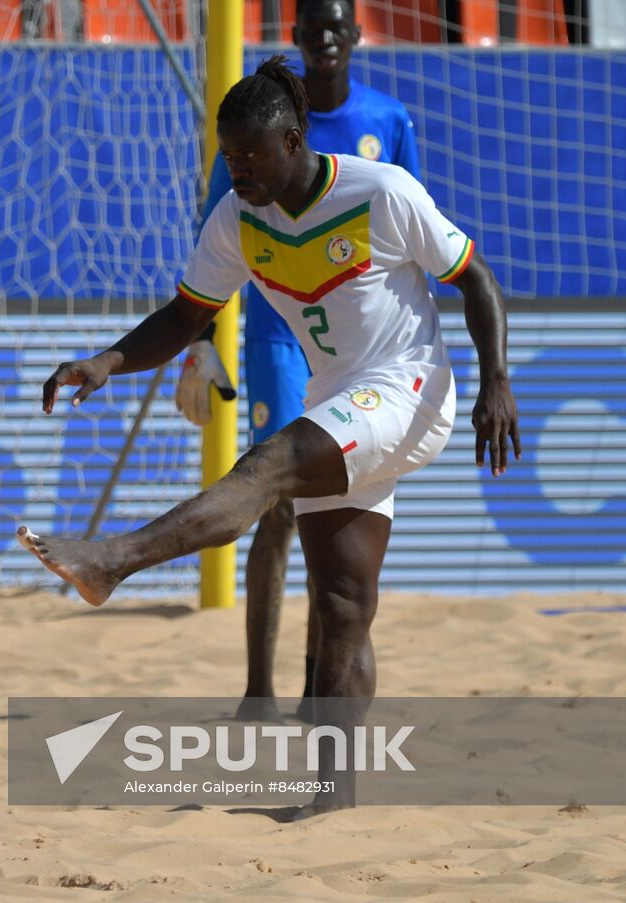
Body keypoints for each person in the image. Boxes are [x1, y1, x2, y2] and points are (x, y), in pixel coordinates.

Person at [17, 56, 519, 815]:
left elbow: (475, 278)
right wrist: (105, 362)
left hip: (410, 390)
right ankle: (329, 802)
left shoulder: (381, 192)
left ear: (292, 143)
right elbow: (187, 317)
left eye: (250, 155)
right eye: (227, 156)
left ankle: (112, 560)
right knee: (342, 600)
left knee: (266, 467)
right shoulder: (237, 219)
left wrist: (497, 382)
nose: (237, 169)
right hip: (339, 395)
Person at [178, 0, 424, 724]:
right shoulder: (254, 130)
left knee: (333, 514)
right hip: (279, 332)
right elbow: (215, 247)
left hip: (361, 349)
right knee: (279, 500)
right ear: (296, 39)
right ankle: (259, 689)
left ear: (354, 36)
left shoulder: (387, 121)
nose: (321, 38)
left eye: (334, 26)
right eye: (309, 27)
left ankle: (323, 691)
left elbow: (416, 236)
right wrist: (200, 344)